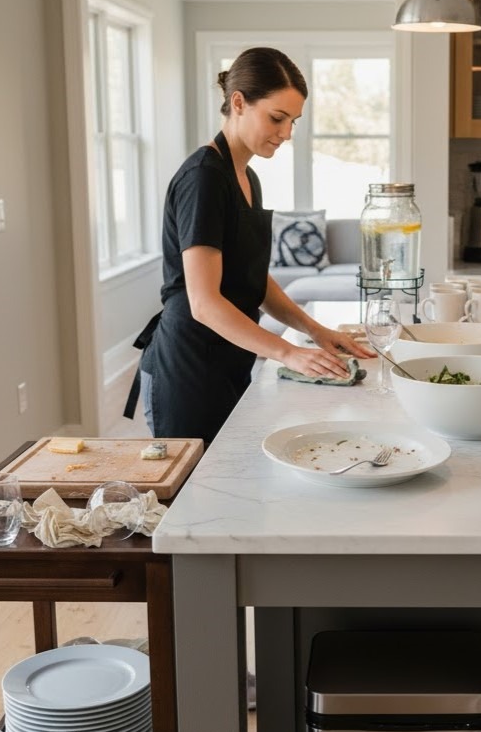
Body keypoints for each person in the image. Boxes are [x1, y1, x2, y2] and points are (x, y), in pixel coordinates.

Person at [125, 47, 373, 443]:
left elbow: (252, 278)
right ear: (238, 102)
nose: (287, 133)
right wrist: (288, 352)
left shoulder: (246, 176)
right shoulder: (204, 178)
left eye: (293, 121)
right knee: (198, 498)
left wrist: (314, 330)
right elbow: (204, 304)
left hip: (229, 359)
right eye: (277, 117)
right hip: (190, 368)